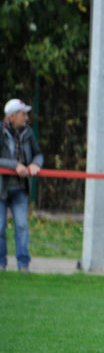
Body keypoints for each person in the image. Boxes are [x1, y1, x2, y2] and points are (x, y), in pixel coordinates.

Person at [1, 98, 43, 273]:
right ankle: (1, 263)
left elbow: (38, 154)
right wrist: (14, 166)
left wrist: (35, 164)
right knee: (0, 227)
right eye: (23, 114)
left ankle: (23, 264)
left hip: (19, 189)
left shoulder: (28, 133)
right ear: (12, 117)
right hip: (1, 190)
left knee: (22, 226)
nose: (26, 117)